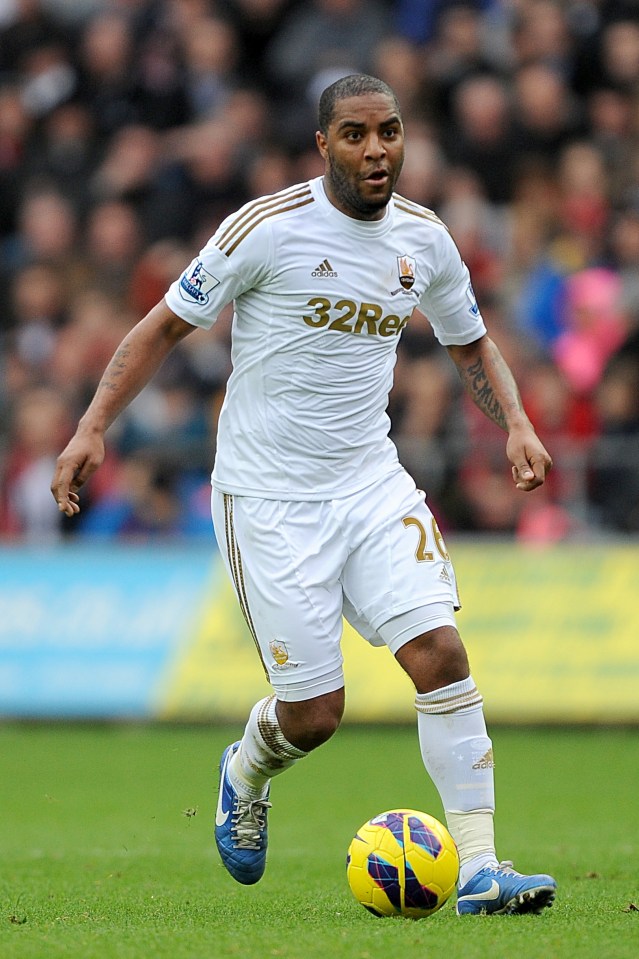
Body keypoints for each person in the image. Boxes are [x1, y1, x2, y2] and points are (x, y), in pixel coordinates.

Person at [51, 74, 557, 916]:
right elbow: (161, 327)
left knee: (440, 651)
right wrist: (91, 427)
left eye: (389, 132)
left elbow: (469, 344)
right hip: (267, 498)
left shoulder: (425, 241)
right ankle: (245, 768)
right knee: (317, 712)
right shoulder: (267, 229)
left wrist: (515, 422)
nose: (376, 150)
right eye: (355, 134)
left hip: (369, 482)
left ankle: (478, 869)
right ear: (322, 144)